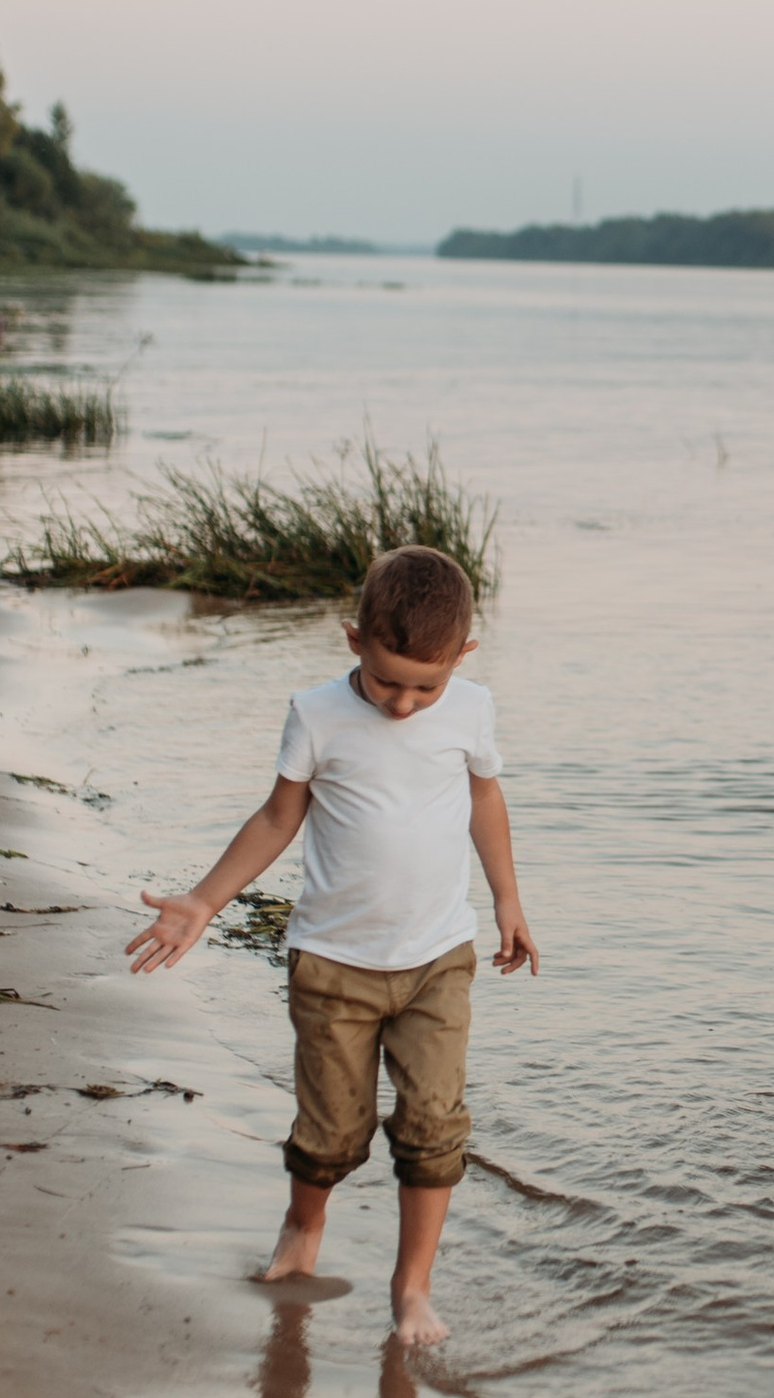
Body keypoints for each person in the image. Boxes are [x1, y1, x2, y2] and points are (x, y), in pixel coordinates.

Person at [125, 542, 537, 1345]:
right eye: (387, 680)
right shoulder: (317, 713)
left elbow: (486, 801)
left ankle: (412, 1287)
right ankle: (303, 1227)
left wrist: (508, 899)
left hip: (437, 962)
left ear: (464, 657)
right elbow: (280, 817)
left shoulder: (472, 709)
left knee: (433, 1124)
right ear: (353, 640)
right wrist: (204, 902)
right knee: (333, 1133)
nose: (406, 704)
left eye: (428, 684)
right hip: (333, 964)